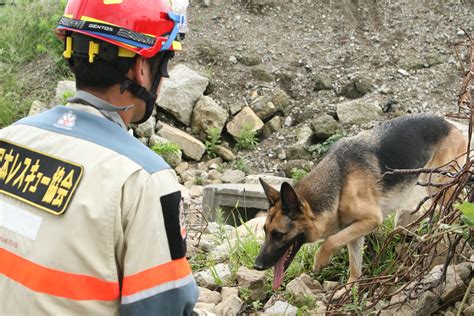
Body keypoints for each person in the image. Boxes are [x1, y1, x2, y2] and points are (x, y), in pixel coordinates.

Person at [0, 0, 198, 315]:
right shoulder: (144, 179)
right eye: (165, 62)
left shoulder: (9, 139)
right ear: (141, 68)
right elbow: (164, 307)